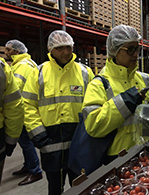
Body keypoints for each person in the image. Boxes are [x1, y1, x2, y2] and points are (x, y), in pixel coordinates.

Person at [22, 30, 95, 195]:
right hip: (50, 143)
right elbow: (28, 105)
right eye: (60, 48)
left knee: (81, 186)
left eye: (69, 47)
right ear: (50, 49)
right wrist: (38, 134)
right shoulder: (38, 73)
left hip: (79, 144)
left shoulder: (85, 72)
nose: (66, 52)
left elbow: (95, 104)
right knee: (55, 188)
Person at [82, 25, 149, 164]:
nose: (136, 54)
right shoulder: (99, 84)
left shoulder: (145, 79)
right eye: (130, 49)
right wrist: (124, 102)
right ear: (114, 50)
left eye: (137, 49)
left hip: (146, 151)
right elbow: (93, 126)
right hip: (117, 158)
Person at [5, 39, 43, 186]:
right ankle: (28, 165)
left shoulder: (21, 66)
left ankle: (35, 171)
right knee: (25, 141)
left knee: (25, 142)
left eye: (8, 50)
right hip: (27, 108)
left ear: (16, 51)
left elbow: (14, 91)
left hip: (22, 111)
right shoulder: (29, 63)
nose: (6, 52)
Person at [0, 57, 24, 185]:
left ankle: (32, 168)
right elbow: (14, 106)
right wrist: (11, 140)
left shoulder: (11, 68)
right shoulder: (3, 68)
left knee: (27, 145)